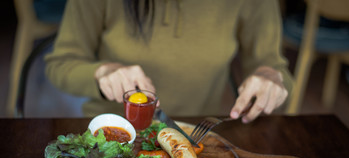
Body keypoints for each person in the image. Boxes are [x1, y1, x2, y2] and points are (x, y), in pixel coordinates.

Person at [45, 0, 292, 123]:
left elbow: (277, 71)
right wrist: (101, 72)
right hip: (110, 131)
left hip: (193, 134)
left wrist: (271, 77)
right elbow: (60, 65)